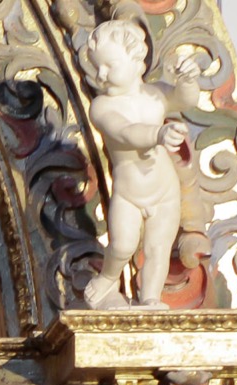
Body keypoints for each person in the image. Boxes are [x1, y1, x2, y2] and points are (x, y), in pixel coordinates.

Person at [79, 19, 204, 309]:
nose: (101, 74)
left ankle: (150, 300)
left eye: (109, 65)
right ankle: (109, 277)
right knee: (122, 246)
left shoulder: (155, 95)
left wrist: (187, 80)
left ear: (136, 62)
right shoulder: (103, 107)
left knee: (158, 248)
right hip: (129, 193)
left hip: (164, 191)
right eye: (97, 66)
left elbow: (185, 100)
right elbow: (124, 132)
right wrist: (157, 134)